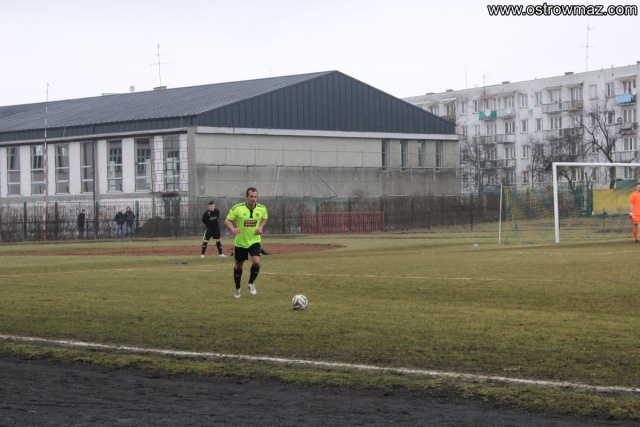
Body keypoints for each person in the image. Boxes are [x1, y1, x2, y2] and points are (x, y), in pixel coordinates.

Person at [224, 187, 268, 298]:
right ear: (246, 197)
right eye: (251, 196)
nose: (253, 199)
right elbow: (227, 220)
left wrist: (261, 227)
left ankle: (251, 283)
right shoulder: (238, 208)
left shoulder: (262, 209)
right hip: (241, 242)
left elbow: (265, 218)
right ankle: (237, 288)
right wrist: (233, 229)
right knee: (239, 266)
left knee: (256, 262)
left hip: (254, 240)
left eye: (255, 197)